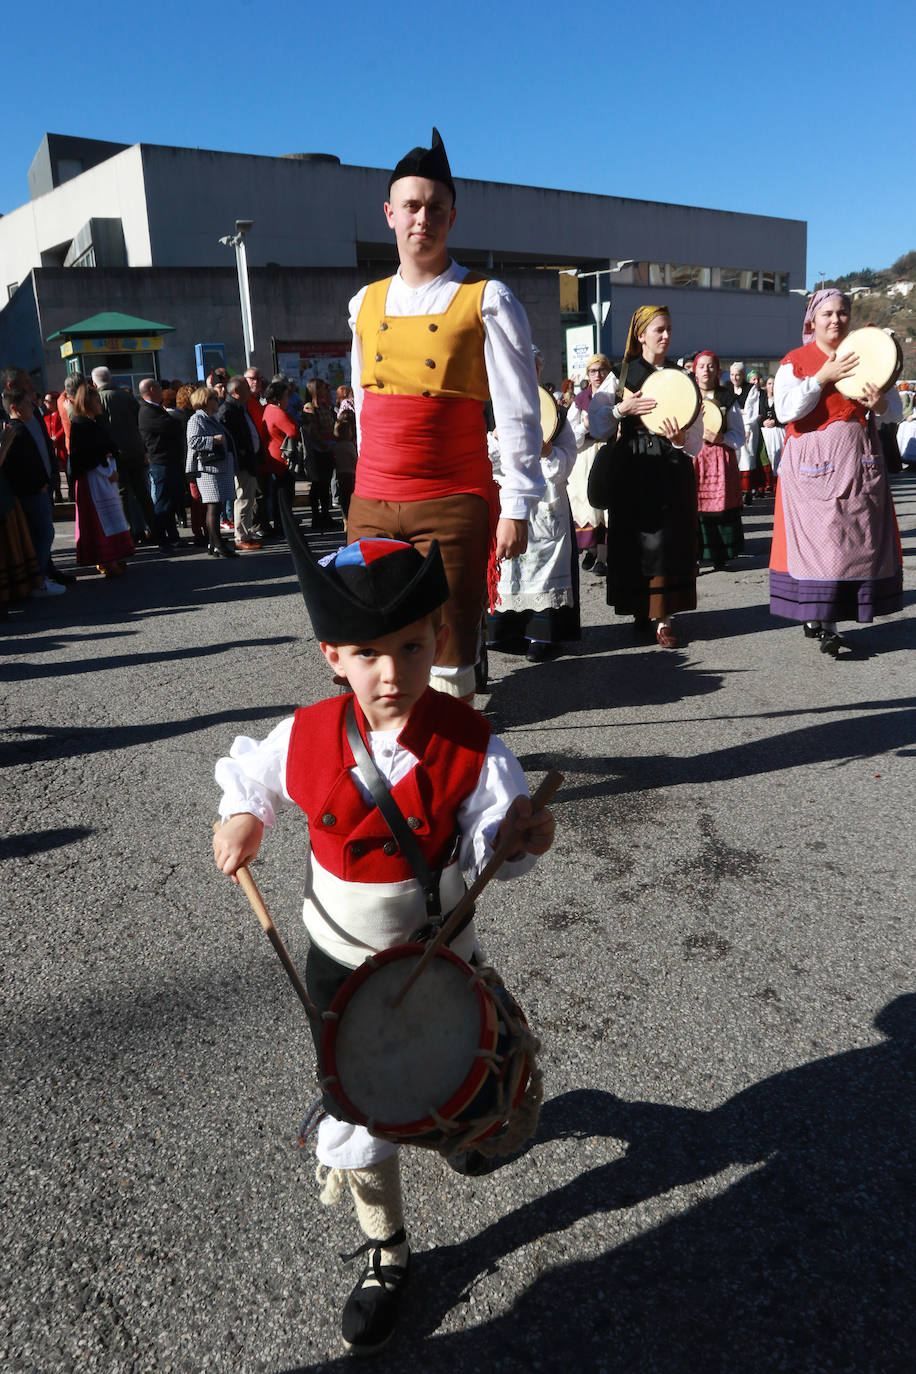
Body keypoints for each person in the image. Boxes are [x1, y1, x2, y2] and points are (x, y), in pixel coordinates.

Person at [212, 524, 554, 1355]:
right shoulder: (306, 735)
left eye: (409, 647)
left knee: (471, 1094)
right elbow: (253, 775)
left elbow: (490, 857)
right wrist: (244, 817)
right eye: (367, 654)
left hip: (444, 959)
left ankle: (462, 1125)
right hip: (338, 968)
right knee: (359, 1110)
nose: (391, 673)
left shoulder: (477, 747)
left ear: (439, 637)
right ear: (332, 654)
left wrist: (516, 837)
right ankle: (386, 1249)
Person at [347, 127, 544, 700]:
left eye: (435, 208)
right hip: (374, 496)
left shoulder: (487, 298)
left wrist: (518, 505)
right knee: (374, 630)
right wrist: (365, 483)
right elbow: (365, 407)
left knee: (452, 636)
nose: (422, 219)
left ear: (452, 217)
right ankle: (392, 748)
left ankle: (452, 755)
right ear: (389, 213)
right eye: (410, 206)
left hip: (452, 497)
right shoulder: (364, 303)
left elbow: (517, 412)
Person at [769, 289, 903, 656]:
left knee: (852, 542)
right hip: (811, 464)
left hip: (860, 460)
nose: (835, 320)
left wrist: (881, 403)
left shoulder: (868, 354)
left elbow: (894, 410)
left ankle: (830, 615)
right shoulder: (795, 361)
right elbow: (785, 411)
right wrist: (820, 377)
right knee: (821, 543)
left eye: (842, 313)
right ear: (812, 319)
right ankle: (824, 622)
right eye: (827, 313)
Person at [588, 305, 702, 648]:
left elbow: (695, 432)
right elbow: (596, 423)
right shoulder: (621, 376)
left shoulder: (681, 377)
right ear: (641, 336)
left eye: (668, 329)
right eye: (659, 330)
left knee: (667, 542)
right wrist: (623, 409)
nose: (666, 336)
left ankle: (664, 617)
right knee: (636, 541)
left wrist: (682, 441)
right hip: (632, 468)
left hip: (670, 468)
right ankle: (640, 605)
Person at [487, 344, 579, 661]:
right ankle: (505, 632)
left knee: (544, 568)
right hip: (507, 499)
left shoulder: (556, 413)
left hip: (547, 502)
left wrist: (548, 452)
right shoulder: (493, 408)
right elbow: (484, 459)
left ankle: (543, 636)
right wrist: (497, 439)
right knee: (509, 566)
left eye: (534, 366)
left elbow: (567, 461)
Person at [1, 383, 65, 597]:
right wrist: (38, 485)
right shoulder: (16, 431)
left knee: (40, 534)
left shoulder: (22, 428)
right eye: (28, 404)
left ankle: (38, 579)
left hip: (36, 490)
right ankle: (38, 580)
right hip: (31, 493)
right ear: (14, 407)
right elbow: (17, 468)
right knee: (44, 533)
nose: (33, 407)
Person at [69, 382, 134, 576]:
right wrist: (107, 466)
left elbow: (108, 446)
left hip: (104, 477)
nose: (100, 404)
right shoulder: (79, 424)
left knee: (111, 518)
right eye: (97, 400)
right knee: (99, 521)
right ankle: (106, 560)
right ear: (87, 402)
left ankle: (112, 557)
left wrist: (113, 463)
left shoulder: (95, 422)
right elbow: (84, 455)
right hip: (92, 480)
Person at [690, 351, 745, 571]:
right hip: (693, 458)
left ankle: (721, 553)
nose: (706, 370)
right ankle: (693, 554)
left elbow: (739, 434)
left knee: (720, 507)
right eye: (702, 366)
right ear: (694, 370)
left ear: (718, 370)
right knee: (692, 507)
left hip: (720, 461)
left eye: (710, 366)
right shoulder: (686, 396)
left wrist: (721, 438)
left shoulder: (727, 398)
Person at [92, 366, 156, 543]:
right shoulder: (127, 396)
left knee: (122, 494)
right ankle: (154, 528)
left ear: (95, 382)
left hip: (115, 454)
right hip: (135, 449)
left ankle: (128, 533)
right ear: (110, 379)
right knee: (142, 492)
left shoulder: (98, 399)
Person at [567, 354, 612, 574]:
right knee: (588, 505)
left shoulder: (616, 395)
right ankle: (592, 550)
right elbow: (568, 434)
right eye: (593, 371)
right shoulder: (580, 400)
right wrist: (585, 426)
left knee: (606, 507)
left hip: (607, 451)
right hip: (585, 457)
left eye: (602, 370)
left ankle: (603, 556)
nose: (597, 375)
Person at [185, 386, 238, 557]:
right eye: (215, 398)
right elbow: (193, 442)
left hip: (217, 468)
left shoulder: (211, 418)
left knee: (217, 506)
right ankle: (218, 545)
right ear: (206, 401)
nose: (218, 401)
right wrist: (213, 440)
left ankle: (213, 543)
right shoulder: (196, 419)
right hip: (207, 470)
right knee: (213, 507)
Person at [137, 378, 186, 549]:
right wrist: (175, 422)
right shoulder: (146, 411)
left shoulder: (156, 409)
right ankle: (161, 538)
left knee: (170, 501)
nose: (162, 391)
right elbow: (171, 426)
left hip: (169, 461)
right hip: (160, 462)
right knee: (162, 502)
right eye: (158, 387)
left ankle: (173, 537)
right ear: (151, 389)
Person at [217, 376, 263, 551]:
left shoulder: (240, 408)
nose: (249, 392)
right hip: (241, 462)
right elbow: (229, 437)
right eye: (245, 388)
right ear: (236, 392)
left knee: (248, 498)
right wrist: (240, 451)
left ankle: (246, 533)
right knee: (243, 498)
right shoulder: (228, 410)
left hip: (249, 459)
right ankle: (241, 536)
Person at [301, 378, 338, 530]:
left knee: (325, 484)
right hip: (317, 450)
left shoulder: (324, 405)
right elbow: (312, 430)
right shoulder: (309, 407)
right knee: (317, 484)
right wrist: (323, 443)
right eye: (322, 388)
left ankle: (326, 514)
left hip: (328, 448)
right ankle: (316, 517)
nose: (325, 390)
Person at [262, 379, 299, 532]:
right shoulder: (277, 412)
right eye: (285, 396)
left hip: (273, 457)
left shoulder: (268, 409)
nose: (288, 400)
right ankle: (284, 524)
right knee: (285, 493)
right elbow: (293, 431)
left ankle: (281, 522)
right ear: (278, 398)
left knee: (280, 493)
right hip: (281, 460)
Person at [729, 362, 761, 505]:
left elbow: (751, 410)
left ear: (743, 375)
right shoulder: (727, 388)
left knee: (747, 457)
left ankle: (746, 491)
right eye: (732, 375)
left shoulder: (751, 389)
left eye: (738, 375)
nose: (735, 378)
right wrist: (740, 411)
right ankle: (734, 490)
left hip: (747, 427)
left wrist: (747, 428)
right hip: (732, 426)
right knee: (734, 457)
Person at [759, 375, 785, 483]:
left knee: (778, 455)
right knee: (768, 455)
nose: (772, 386)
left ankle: (778, 479)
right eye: (769, 384)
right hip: (765, 432)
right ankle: (768, 481)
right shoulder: (762, 399)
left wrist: (776, 421)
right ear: (766, 386)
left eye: (774, 384)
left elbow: (785, 414)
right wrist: (763, 421)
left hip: (778, 431)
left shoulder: (781, 398)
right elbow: (758, 414)